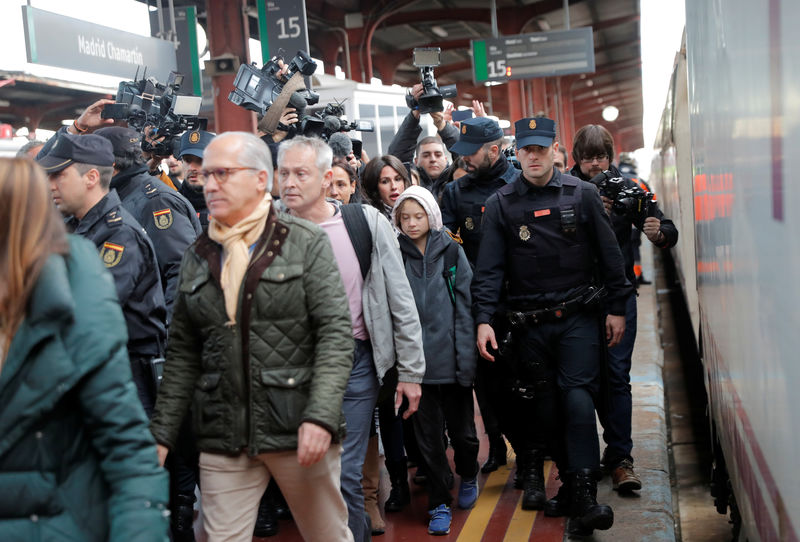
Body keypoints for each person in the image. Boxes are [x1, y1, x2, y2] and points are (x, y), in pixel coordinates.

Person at [150, 132, 354, 542]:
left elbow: (334, 334)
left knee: (327, 535)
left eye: (222, 173)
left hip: (297, 427)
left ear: (262, 179)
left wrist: (320, 416)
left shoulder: (304, 242)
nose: (209, 184)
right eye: (207, 175)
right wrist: (161, 435)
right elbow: (184, 354)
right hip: (224, 434)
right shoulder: (199, 253)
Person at [472, 117, 632, 536]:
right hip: (529, 328)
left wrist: (617, 308)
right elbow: (489, 271)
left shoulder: (583, 195)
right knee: (546, 410)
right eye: (526, 149)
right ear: (516, 151)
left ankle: (584, 496)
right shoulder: (502, 204)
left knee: (578, 402)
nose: (534, 155)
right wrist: (484, 321)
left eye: (541, 148)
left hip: (578, 319)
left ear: (555, 150)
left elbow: (611, 257)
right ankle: (571, 486)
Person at [0, 157, 169, 542]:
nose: (54, 186)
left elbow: (126, 449)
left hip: (131, 364)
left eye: (59, 174)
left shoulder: (99, 247)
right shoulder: (80, 236)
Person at [277, 136, 425, 542]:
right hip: (291, 370)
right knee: (310, 479)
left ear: (327, 179)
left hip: (356, 364)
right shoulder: (269, 228)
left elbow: (401, 299)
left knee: (345, 475)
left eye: (300, 174)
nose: (288, 182)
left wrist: (411, 372)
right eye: (283, 173)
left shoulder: (365, 223)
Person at [569, 124, 678, 492]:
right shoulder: (564, 189)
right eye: (588, 158)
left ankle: (620, 458)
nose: (596, 165)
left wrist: (657, 232)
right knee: (580, 381)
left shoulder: (627, 191)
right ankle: (581, 461)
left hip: (616, 298)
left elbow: (665, 226)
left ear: (610, 157)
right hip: (574, 302)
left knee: (616, 377)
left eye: (601, 157)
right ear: (577, 159)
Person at [37, 133, 167, 416]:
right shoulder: (76, 225)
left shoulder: (119, 234)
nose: (50, 185)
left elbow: (86, 311)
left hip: (129, 378)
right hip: (96, 369)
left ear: (91, 177)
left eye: (59, 176)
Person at [391, 186, 479, 536]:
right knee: (428, 441)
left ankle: (469, 472)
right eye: (405, 217)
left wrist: (466, 361)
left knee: (465, 436)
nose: (412, 224)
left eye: (418, 216)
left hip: (452, 363)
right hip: (416, 370)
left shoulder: (452, 252)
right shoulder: (394, 255)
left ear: (432, 215)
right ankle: (439, 501)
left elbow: (465, 309)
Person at [440, 116, 518, 474]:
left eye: (471, 153)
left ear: (494, 149)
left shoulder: (519, 184)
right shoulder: (455, 192)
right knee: (485, 381)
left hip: (519, 300)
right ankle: (498, 446)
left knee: (522, 378)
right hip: (477, 303)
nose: (464, 159)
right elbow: (448, 247)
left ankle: (530, 448)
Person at [93, 127, 202, 315]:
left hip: (155, 332)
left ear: (109, 164)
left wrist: (171, 333)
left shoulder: (155, 200)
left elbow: (184, 271)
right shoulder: (125, 193)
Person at [176, 129, 215, 229]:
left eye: (200, 161)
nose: (192, 168)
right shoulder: (173, 203)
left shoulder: (232, 204)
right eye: (187, 160)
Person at [361, 155, 412, 220]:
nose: (394, 187)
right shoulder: (369, 218)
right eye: (385, 182)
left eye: (398, 179)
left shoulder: (418, 210)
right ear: (374, 187)